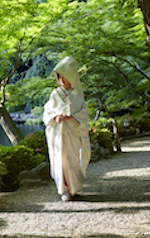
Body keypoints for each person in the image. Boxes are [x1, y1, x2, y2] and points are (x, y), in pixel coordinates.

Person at [43, 56, 91, 202]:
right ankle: (64, 189)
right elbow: (48, 112)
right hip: (58, 133)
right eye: (60, 77)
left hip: (72, 132)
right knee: (60, 161)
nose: (62, 80)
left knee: (72, 160)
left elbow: (83, 114)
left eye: (65, 77)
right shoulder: (55, 94)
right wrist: (56, 116)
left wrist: (70, 116)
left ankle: (74, 188)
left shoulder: (78, 96)